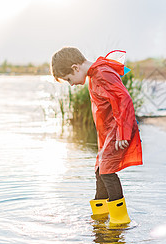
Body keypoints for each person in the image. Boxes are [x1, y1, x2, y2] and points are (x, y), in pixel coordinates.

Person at [50, 47, 143, 227]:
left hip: (118, 131)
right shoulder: (95, 74)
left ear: (76, 68)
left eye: (69, 79)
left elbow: (124, 100)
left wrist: (123, 132)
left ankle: (120, 221)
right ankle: (100, 218)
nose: (71, 84)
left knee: (107, 172)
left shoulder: (102, 73)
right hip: (109, 133)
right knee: (100, 170)